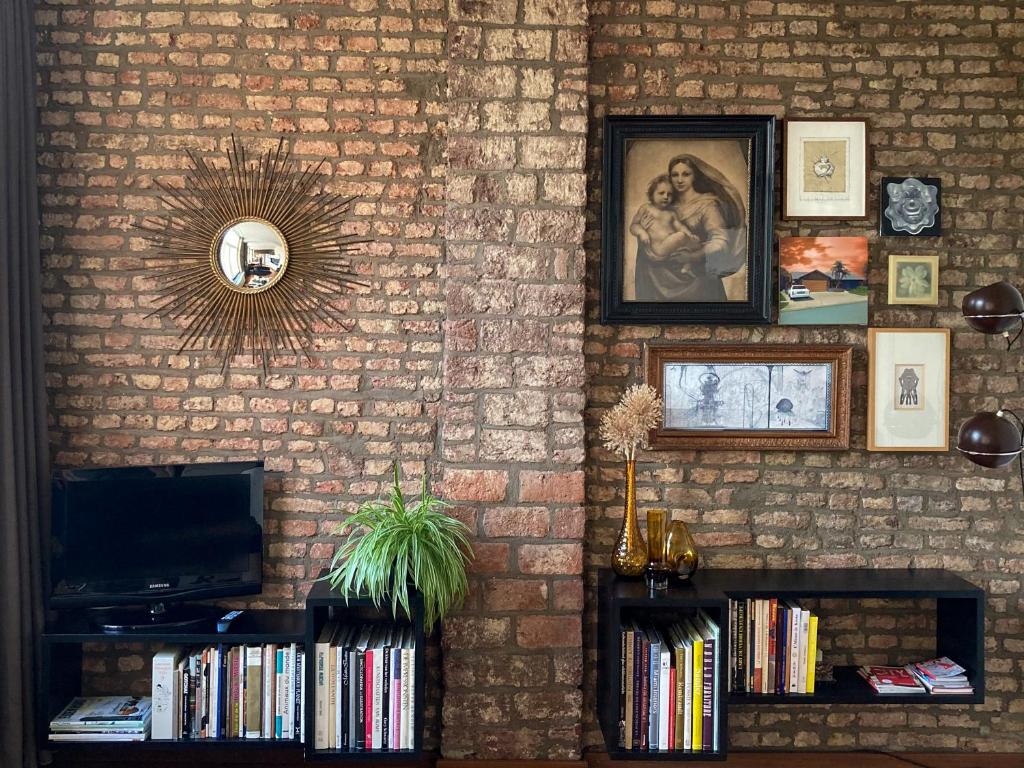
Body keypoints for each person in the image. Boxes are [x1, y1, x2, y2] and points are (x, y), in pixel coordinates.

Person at [633, 153, 748, 303]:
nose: (679, 180)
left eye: (686, 174)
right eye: (675, 175)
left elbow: (721, 241)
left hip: (696, 281)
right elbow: (646, 235)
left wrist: (693, 257)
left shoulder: (707, 204)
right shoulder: (665, 204)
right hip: (658, 282)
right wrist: (644, 232)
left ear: (695, 176)